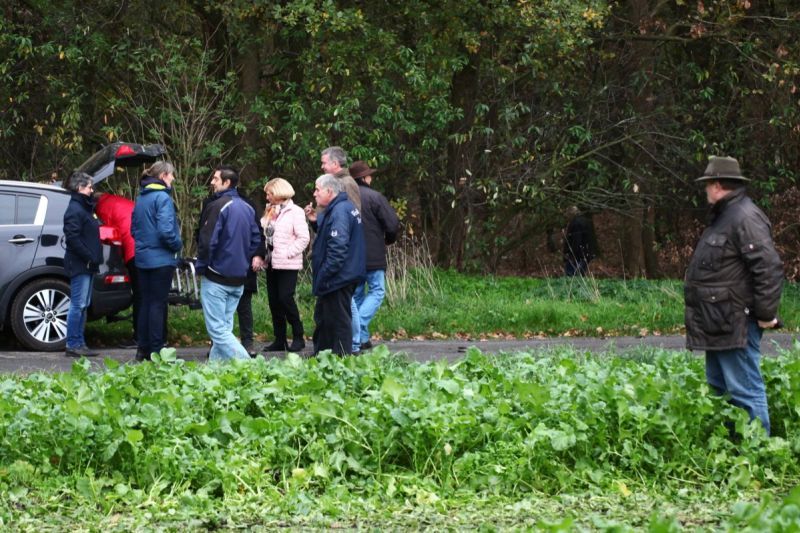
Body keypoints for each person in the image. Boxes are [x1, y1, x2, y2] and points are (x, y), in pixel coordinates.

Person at [685, 156, 783, 435]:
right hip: (718, 322)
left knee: (744, 391)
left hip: (736, 322)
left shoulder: (744, 217)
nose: (705, 190)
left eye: (707, 184)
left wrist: (765, 314)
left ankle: (757, 450)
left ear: (717, 185)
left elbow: (769, 268)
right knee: (721, 389)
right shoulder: (725, 216)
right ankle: (732, 446)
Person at [196, 165, 262, 362]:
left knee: (217, 330)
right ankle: (217, 370)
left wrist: (202, 267)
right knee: (224, 328)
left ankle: (248, 366)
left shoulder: (217, 206)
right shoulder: (248, 207)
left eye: (216, 179)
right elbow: (256, 239)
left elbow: (207, 241)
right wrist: (242, 261)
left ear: (227, 182)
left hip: (217, 276)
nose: (212, 182)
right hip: (239, 278)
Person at [308, 174, 365, 355]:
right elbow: (330, 235)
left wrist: (324, 274)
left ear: (329, 191)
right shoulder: (342, 207)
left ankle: (340, 358)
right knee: (325, 318)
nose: (314, 194)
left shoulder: (340, 211)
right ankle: (323, 356)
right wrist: (315, 223)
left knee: (338, 321)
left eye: (317, 189)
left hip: (338, 277)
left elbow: (338, 249)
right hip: (340, 275)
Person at [131, 162, 183, 361]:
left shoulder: (141, 198)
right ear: (163, 176)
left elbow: (133, 230)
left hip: (142, 258)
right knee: (157, 305)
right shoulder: (162, 198)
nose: (173, 179)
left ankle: (142, 349)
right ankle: (156, 349)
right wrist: (177, 245)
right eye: (171, 175)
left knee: (145, 302)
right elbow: (166, 231)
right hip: (161, 260)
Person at [348, 161, 399, 352]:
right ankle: (359, 326)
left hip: (352, 255)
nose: (371, 178)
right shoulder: (375, 197)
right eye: (369, 175)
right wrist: (388, 240)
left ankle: (361, 338)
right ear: (364, 178)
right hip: (373, 254)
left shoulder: (345, 198)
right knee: (377, 291)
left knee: (357, 294)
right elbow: (392, 224)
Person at [260, 178, 310, 352]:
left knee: (285, 298)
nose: (267, 197)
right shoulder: (270, 210)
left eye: (269, 193)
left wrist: (288, 253)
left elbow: (304, 238)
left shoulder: (295, 212)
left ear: (279, 193)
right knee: (274, 301)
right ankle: (279, 339)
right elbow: (265, 233)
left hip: (288, 263)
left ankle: (298, 335)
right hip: (271, 262)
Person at [62, 171, 102, 358]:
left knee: (83, 304)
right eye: (89, 187)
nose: (92, 190)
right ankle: (72, 344)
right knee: (77, 304)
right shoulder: (75, 210)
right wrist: (89, 256)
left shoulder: (84, 208)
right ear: (79, 188)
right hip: (80, 264)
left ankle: (80, 342)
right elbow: (73, 238)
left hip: (88, 264)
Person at [95, 192, 138, 348]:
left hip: (133, 249)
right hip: (145, 248)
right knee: (148, 296)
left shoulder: (103, 208)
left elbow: (108, 236)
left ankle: (139, 337)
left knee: (140, 296)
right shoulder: (118, 201)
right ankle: (155, 337)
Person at [562, 206, 596, 276]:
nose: (566, 217)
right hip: (586, 253)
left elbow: (576, 240)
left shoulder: (575, 224)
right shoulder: (586, 221)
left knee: (571, 275)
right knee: (580, 274)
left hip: (577, 255)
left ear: (570, 214)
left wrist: (571, 254)